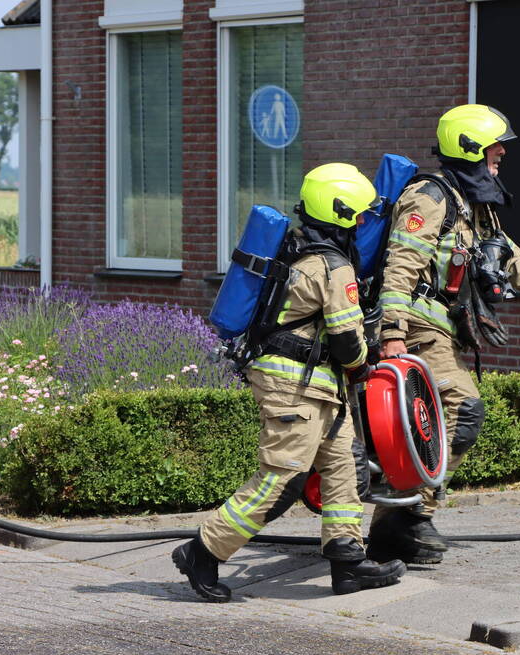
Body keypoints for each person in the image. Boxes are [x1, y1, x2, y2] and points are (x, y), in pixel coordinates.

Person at [366, 104, 520, 566]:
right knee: (463, 411)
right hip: (417, 329)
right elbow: (399, 271)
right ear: (471, 147)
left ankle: (398, 524)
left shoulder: (475, 209)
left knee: (449, 420)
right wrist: (392, 333)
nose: (501, 156)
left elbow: (513, 262)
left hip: (443, 330)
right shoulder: (430, 199)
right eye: (496, 147)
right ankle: (405, 517)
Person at [172, 163, 407, 602]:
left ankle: (347, 562)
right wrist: (364, 361)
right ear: (340, 214)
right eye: (357, 216)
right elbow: (345, 338)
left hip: (315, 386)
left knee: (343, 469)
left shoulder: (302, 254)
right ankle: (203, 550)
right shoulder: (333, 266)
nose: (362, 224)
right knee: (282, 481)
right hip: (294, 386)